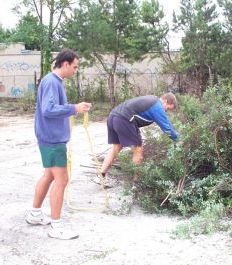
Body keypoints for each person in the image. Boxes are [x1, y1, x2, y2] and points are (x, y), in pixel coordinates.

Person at [26, 48, 92, 240]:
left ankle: (35, 214)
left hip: (49, 137)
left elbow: (52, 108)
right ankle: (56, 226)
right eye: (75, 67)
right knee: (62, 180)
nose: (75, 70)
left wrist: (74, 108)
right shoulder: (51, 82)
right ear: (65, 64)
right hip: (52, 139)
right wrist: (74, 108)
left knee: (49, 175)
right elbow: (48, 110)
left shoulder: (53, 81)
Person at [98, 93, 178, 179]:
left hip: (113, 117)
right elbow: (167, 129)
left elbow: (167, 122)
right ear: (165, 101)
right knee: (138, 150)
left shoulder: (152, 101)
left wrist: (177, 134)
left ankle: (100, 176)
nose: (166, 111)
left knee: (116, 148)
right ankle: (136, 182)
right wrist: (178, 139)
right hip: (124, 119)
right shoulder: (157, 106)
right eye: (168, 108)